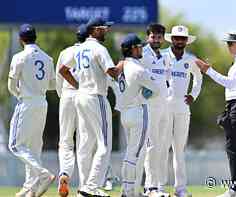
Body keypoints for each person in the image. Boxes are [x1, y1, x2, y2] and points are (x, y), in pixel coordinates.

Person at [59, 17, 120, 197]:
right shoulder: (99, 48)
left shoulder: (80, 49)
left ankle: (84, 187)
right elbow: (112, 72)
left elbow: (63, 70)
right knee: (104, 145)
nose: (106, 31)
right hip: (95, 97)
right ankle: (91, 186)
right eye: (103, 28)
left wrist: (78, 85)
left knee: (85, 144)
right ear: (94, 30)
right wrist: (124, 65)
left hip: (81, 96)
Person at [196, 31, 236, 197]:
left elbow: (230, 83)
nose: (228, 45)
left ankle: (235, 189)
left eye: (231, 43)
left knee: (233, 147)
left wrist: (209, 71)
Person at [8, 23, 56, 197]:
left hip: (26, 102)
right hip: (42, 103)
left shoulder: (19, 57)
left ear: (21, 39)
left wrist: (22, 94)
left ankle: (42, 174)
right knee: (34, 148)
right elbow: (53, 84)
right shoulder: (47, 58)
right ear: (35, 37)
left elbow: (11, 86)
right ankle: (30, 188)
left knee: (15, 145)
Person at [115, 33, 161, 197]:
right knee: (134, 154)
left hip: (125, 113)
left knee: (132, 152)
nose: (142, 48)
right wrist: (143, 95)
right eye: (139, 46)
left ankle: (129, 190)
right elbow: (157, 88)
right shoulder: (138, 69)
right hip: (138, 112)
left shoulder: (121, 67)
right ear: (133, 49)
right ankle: (128, 191)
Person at [160, 25, 203, 197]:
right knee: (162, 147)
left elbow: (198, 79)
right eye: (176, 38)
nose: (179, 41)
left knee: (179, 149)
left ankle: (181, 189)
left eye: (182, 38)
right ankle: (160, 187)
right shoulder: (161, 56)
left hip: (183, 107)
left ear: (186, 41)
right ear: (172, 39)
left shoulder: (191, 59)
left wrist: (193, 95)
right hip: (163, 106)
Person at [134, 23, 171, 197]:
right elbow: (136, 75)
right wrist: (143, 91)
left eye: (159, 37)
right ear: (148, 37)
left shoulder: (164, 56)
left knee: (161, 146)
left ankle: (156, 185)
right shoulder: (143, 53)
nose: (156, 40)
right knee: (151, 146)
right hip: (149, 105)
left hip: (164, 105)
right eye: (153, 37)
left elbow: (166, 79)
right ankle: (150, 187)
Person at [56, 24, 88, 197]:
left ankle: (65, 173)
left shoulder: (65, 52)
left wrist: (65, 97)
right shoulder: (92, 51)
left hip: (68, 96)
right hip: (85, 97)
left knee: (66, 141)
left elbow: (58, 79)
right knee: (85, 141)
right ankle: (84, 186)